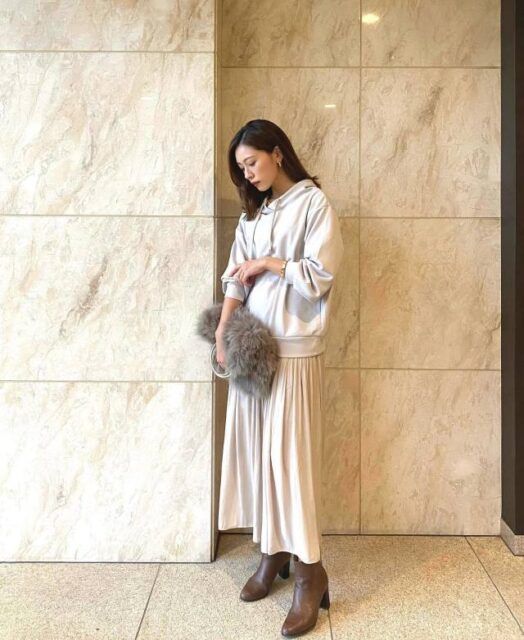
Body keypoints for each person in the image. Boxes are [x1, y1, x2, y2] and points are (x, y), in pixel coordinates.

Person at [216, 119, 344, 637]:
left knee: (291, 465)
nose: (248, 174)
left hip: (294, 351)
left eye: (252, 162)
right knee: (261, 461)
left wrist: (269, 263)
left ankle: (310, 573)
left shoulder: (314, 205)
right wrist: (222, 330)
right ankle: (272, 553)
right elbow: (234, 278)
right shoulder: (254, 214)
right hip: (254, 350)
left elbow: (319, 276)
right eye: (241, 168)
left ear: (277, 153)